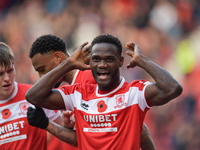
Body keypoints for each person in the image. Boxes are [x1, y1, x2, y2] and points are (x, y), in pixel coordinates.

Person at [26, 34, 182, 149]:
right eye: (96, 59)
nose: (40, 77)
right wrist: (50, 125)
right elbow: (87, 137)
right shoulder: (74, 92)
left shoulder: (92, 80)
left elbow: (136, 124)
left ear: (58, 58)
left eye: (42, 70)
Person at [0, 42, 62, 150]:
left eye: (10, 71)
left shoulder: (34, 95)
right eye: (0, 74)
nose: (7, 78)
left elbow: (63, 129)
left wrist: (67, 124)